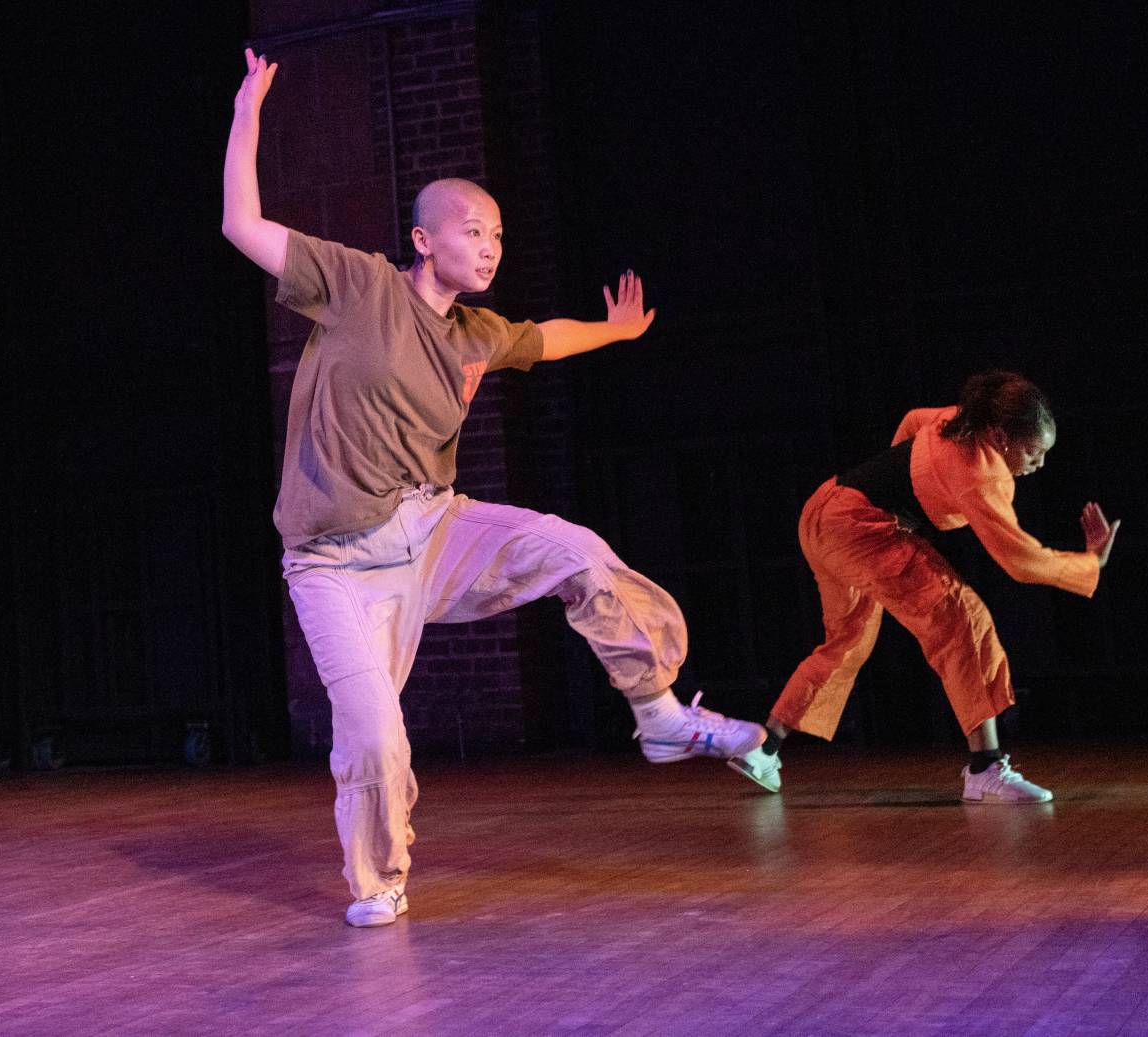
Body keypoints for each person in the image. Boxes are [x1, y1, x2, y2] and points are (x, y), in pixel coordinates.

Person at [222, 50, 765, 926]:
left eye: (501, 234)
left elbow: (545, 337)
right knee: (373, 735)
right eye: (474, 230)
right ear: (425, 238)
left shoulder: (477, 331)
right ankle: (381, 879)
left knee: (577, 551)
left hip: (432, 531)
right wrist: (250, 110)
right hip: (332, 562)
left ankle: (658, 712)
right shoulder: (356, 284)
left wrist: (617, 333)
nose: (491, 245)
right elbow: (241, 221)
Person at [729, 370, 1119, 803]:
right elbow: (1019, 561)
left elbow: (914, 420)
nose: (1038, 465)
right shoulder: (982, 474)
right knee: (962, 620)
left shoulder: (957, 419)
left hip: (823, 511)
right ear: (999, 435)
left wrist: (903, 489)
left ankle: (763, 749)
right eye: (1032, 452)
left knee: (847, 641)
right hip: (861, 530)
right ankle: (986, 769)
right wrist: (1090, 562)